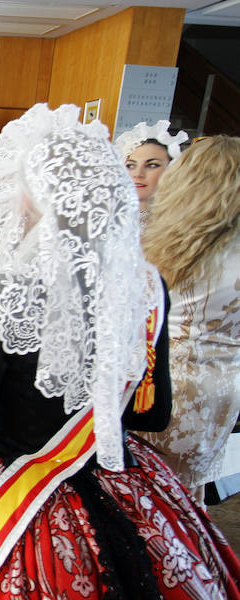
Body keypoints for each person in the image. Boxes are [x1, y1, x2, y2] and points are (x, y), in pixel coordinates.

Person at [0, 104, 240, 600]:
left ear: (32, 193)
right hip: (118, 485)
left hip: (20, 501)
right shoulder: (143, 285)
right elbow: (151, 415)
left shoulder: (5, 291)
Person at [139, 136, 240, 504]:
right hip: (222, 390)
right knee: (184, 497)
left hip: (160, 385)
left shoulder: (159, 246)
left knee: (145, 495)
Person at [114, 120, 187, 229]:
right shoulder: (104, 217)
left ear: (171, 169)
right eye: (130, 166)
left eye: (152, 165)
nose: (138, 174)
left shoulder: (180, 224)